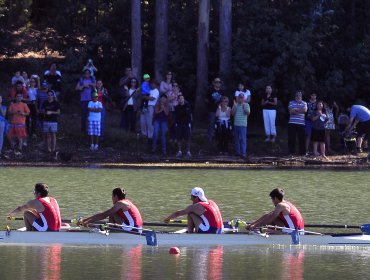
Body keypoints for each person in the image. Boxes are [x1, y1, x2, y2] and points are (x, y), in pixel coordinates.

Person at [75, 69, 96, 134]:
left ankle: (90, 129)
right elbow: (76, 88)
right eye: (86, 73)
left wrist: (91, 84)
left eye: (88, 73)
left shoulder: (93, 80)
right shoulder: (81, 80)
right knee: (83, 115)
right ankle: (83, 130)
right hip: (83, 100)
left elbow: (97, 87)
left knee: (91, 115)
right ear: (84, 74)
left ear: (90, 74)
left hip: (91, 100)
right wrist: (83, 86)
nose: (87, 74)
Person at [288, 91, 307, 156]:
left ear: (301, 96)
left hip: (301, 123)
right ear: (295, 96)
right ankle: (291, 153)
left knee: (302, 138)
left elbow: (304, 111)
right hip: (292, 123)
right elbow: (291, 111)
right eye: (297, 95)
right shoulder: (291, 102)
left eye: (299, 95)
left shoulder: (304, 103)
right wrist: (300, 110)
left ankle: (302, 153)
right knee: (291, 138)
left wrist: (295, 110)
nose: (298, 97)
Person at [205, 78, 224, 144]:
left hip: (220, 110)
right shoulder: (210, 90)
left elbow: (223, 101)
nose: (218, 83)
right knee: (211, 125)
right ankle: (209, 140)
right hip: (211, 110)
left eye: (219, 82)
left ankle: (218, 139)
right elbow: (206, 100)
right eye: (216, 82)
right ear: (214, 83)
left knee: (219, 125)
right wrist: (209, 106)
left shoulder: (222, 91)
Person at [231, 93, 250, 158]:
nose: (241, 99)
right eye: (239, 97)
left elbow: (248, 113)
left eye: (242, 98)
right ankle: (237, 153)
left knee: (243, 139)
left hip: (243, 124)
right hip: (236, 124)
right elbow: (232, 114)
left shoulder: (246, 104)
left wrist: (244, 108)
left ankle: (243, 153)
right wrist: (235, 106)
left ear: (244, 98)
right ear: (238, 98)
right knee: (236, 139)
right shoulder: (235, 105)